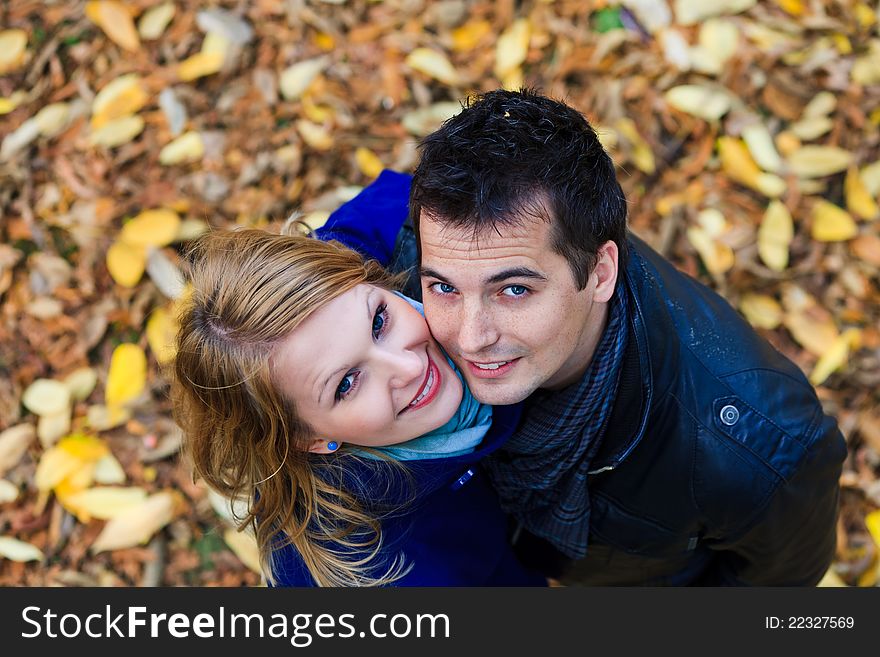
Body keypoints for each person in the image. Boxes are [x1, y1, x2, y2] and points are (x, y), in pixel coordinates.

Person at [313, 88, 848, 585]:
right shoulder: (422, 243)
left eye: (514, 291)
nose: (470, 339)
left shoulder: (759, 453)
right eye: (445, 288)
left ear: (599, 273)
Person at [171, 227, 545, 587]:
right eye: (346, 384)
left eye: (379, 322)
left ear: (370, 277)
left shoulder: (380, 246)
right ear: (311, 439)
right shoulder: (391, 572)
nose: (410, 367)